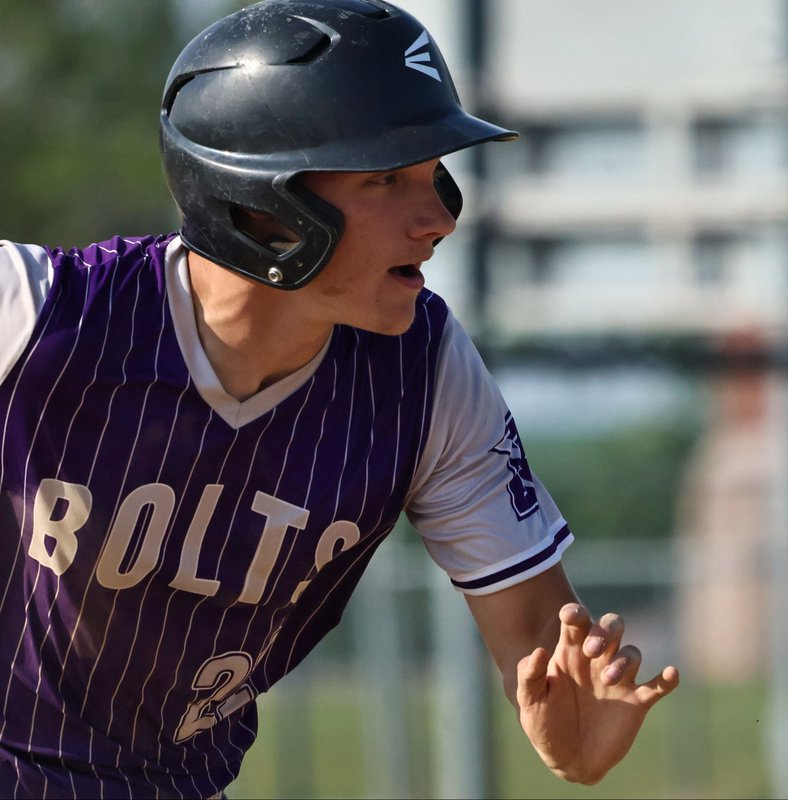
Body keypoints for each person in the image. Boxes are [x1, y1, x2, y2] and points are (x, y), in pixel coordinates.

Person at [0, 1, 679, 796]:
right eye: (385, 179)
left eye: (434, 178)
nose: (436, 221)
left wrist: (571, 734)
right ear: (260, 204)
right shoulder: (39, 313)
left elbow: (536, 634)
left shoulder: (420, 373)